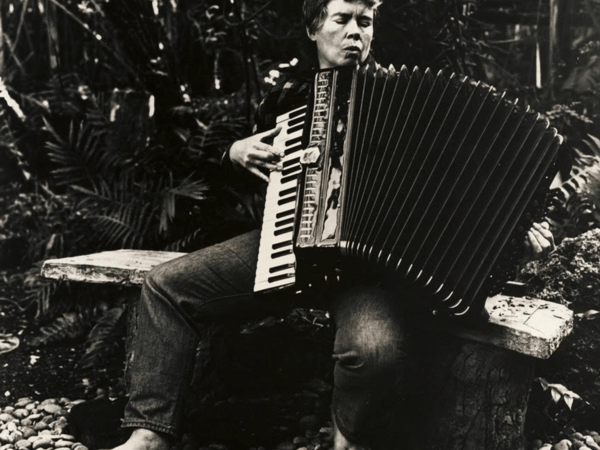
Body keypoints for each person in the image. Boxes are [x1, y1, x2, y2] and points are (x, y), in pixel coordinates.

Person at [111, 1, 556, 449]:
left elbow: (472, 192)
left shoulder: (404, 95)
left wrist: (516, 232)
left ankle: (348, 436)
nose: (354, 32)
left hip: (369, 276)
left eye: (364, 22)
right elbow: (228, 186)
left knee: (372, 351)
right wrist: (234, 153)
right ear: (313, 29)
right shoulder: (287, 96)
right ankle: (149, 434)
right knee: (165, 286)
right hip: (285, 248)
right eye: (341, 20)